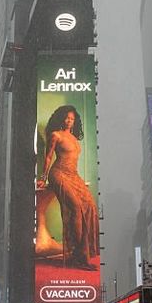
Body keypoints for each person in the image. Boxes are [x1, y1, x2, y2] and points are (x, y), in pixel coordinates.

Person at [37, 105, 99, 270]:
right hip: (58, 174)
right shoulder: (55, 135)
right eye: (66, 118)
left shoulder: (75, 139)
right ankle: (76, 256)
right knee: (75, 208)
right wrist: (43, 178)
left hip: (73, 175)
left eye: (71, 119)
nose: (69, 121)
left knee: (90, 207)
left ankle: (83, 253)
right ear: (61, 119)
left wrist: (77, 179)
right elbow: (49, 156)